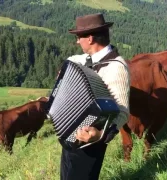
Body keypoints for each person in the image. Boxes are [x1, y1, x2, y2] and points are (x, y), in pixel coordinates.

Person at [61, 13, 130, 180]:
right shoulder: (86, 60)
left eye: (78, 37)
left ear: (90, 39)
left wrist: (100, 135)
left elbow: (122, 112)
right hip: (70, 136)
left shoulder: (116, 68)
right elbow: (72, 60)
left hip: (90, 143)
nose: (77, 41)